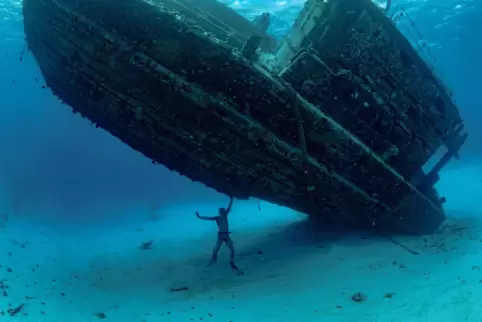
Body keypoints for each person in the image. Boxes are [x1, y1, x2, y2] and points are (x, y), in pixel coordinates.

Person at [195, 197, 243, 275]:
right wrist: (199, 217)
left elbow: (229, 207)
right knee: (216, 250)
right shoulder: (218, 218)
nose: (224, 212)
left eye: (223, 211)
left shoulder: (224, 216)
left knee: (231, 249)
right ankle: (214, 260)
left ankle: (231, 261)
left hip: (226, 235)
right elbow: (207, 218)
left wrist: (231, 199)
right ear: (220, 212)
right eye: (222, 211)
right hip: (221, 236)